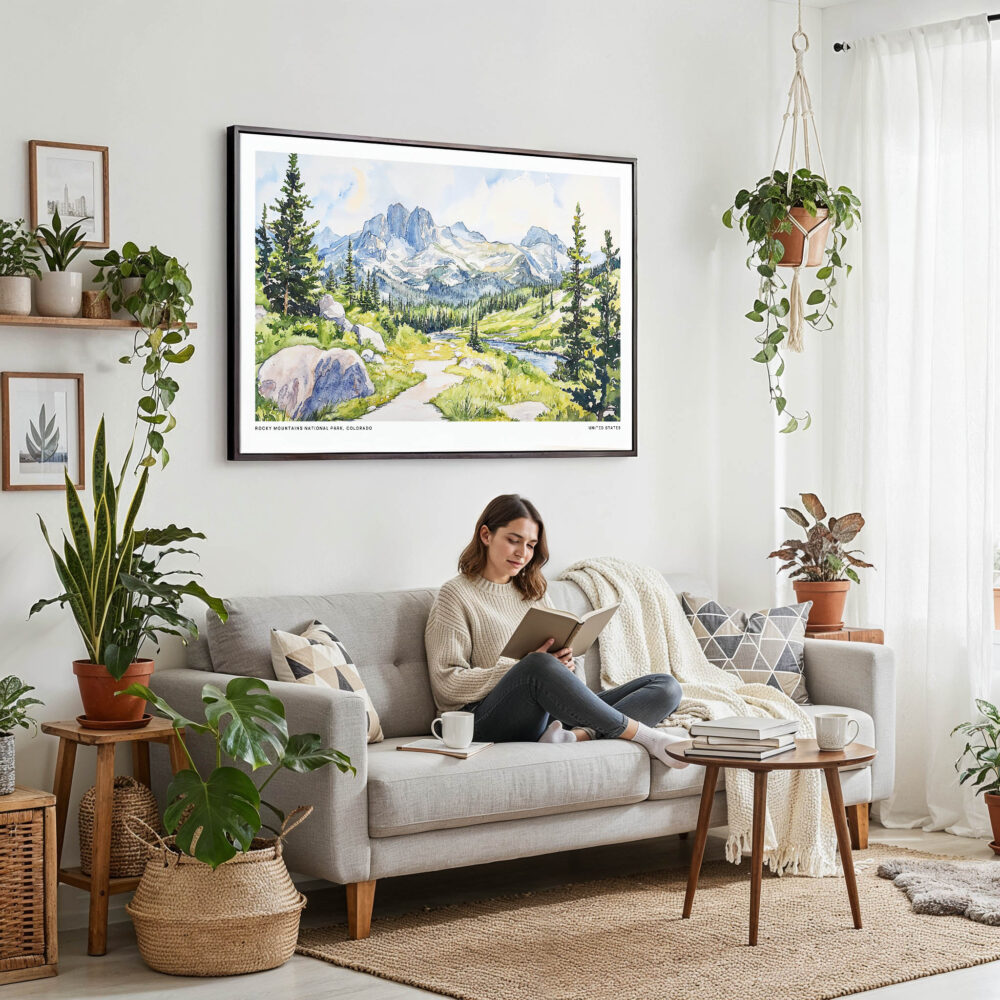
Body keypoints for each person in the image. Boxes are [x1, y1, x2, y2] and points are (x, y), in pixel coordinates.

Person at [424, 494, 690, 768]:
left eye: (530, 545)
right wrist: (520, 666)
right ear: (486, 535)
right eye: (513, 540)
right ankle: (649, 738)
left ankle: (577, 736)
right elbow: (448, 684)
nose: (522, 553)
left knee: (666, 686)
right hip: (481, 722)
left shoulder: (532, 593)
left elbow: (564, 677)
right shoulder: (455, 595)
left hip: (545, 714)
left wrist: (566, 666)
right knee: (537, 663)